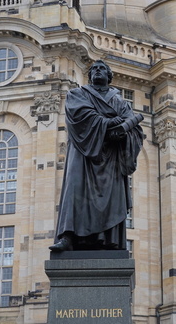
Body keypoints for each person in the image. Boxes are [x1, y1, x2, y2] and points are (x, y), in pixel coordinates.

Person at [49, 60, 144, 251]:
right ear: (90, 75)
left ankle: (109, 240)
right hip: (84, 152)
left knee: (110, 197)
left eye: (102, 69)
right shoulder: (78, 94)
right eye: (95, 69)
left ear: (109, 76)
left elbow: (136, 130)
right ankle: (68, 237)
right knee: (74, 189)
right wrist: (108, 123)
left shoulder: (120, 101)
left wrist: (123, 132)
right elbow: (79, 115)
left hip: (111, 156)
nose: (98, 71)